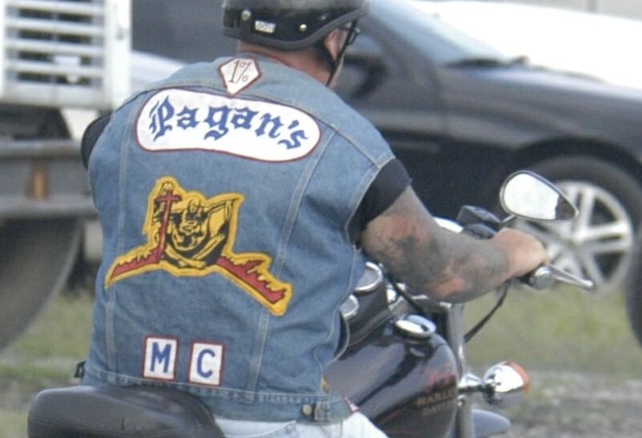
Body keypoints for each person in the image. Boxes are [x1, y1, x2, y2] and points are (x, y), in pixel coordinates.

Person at [79, 0, 549, 436]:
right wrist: (513, 251)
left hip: (111, 399)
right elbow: (444, 275)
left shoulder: (127, 118)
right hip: (264, 416)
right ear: (332, 38)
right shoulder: (344, 144)